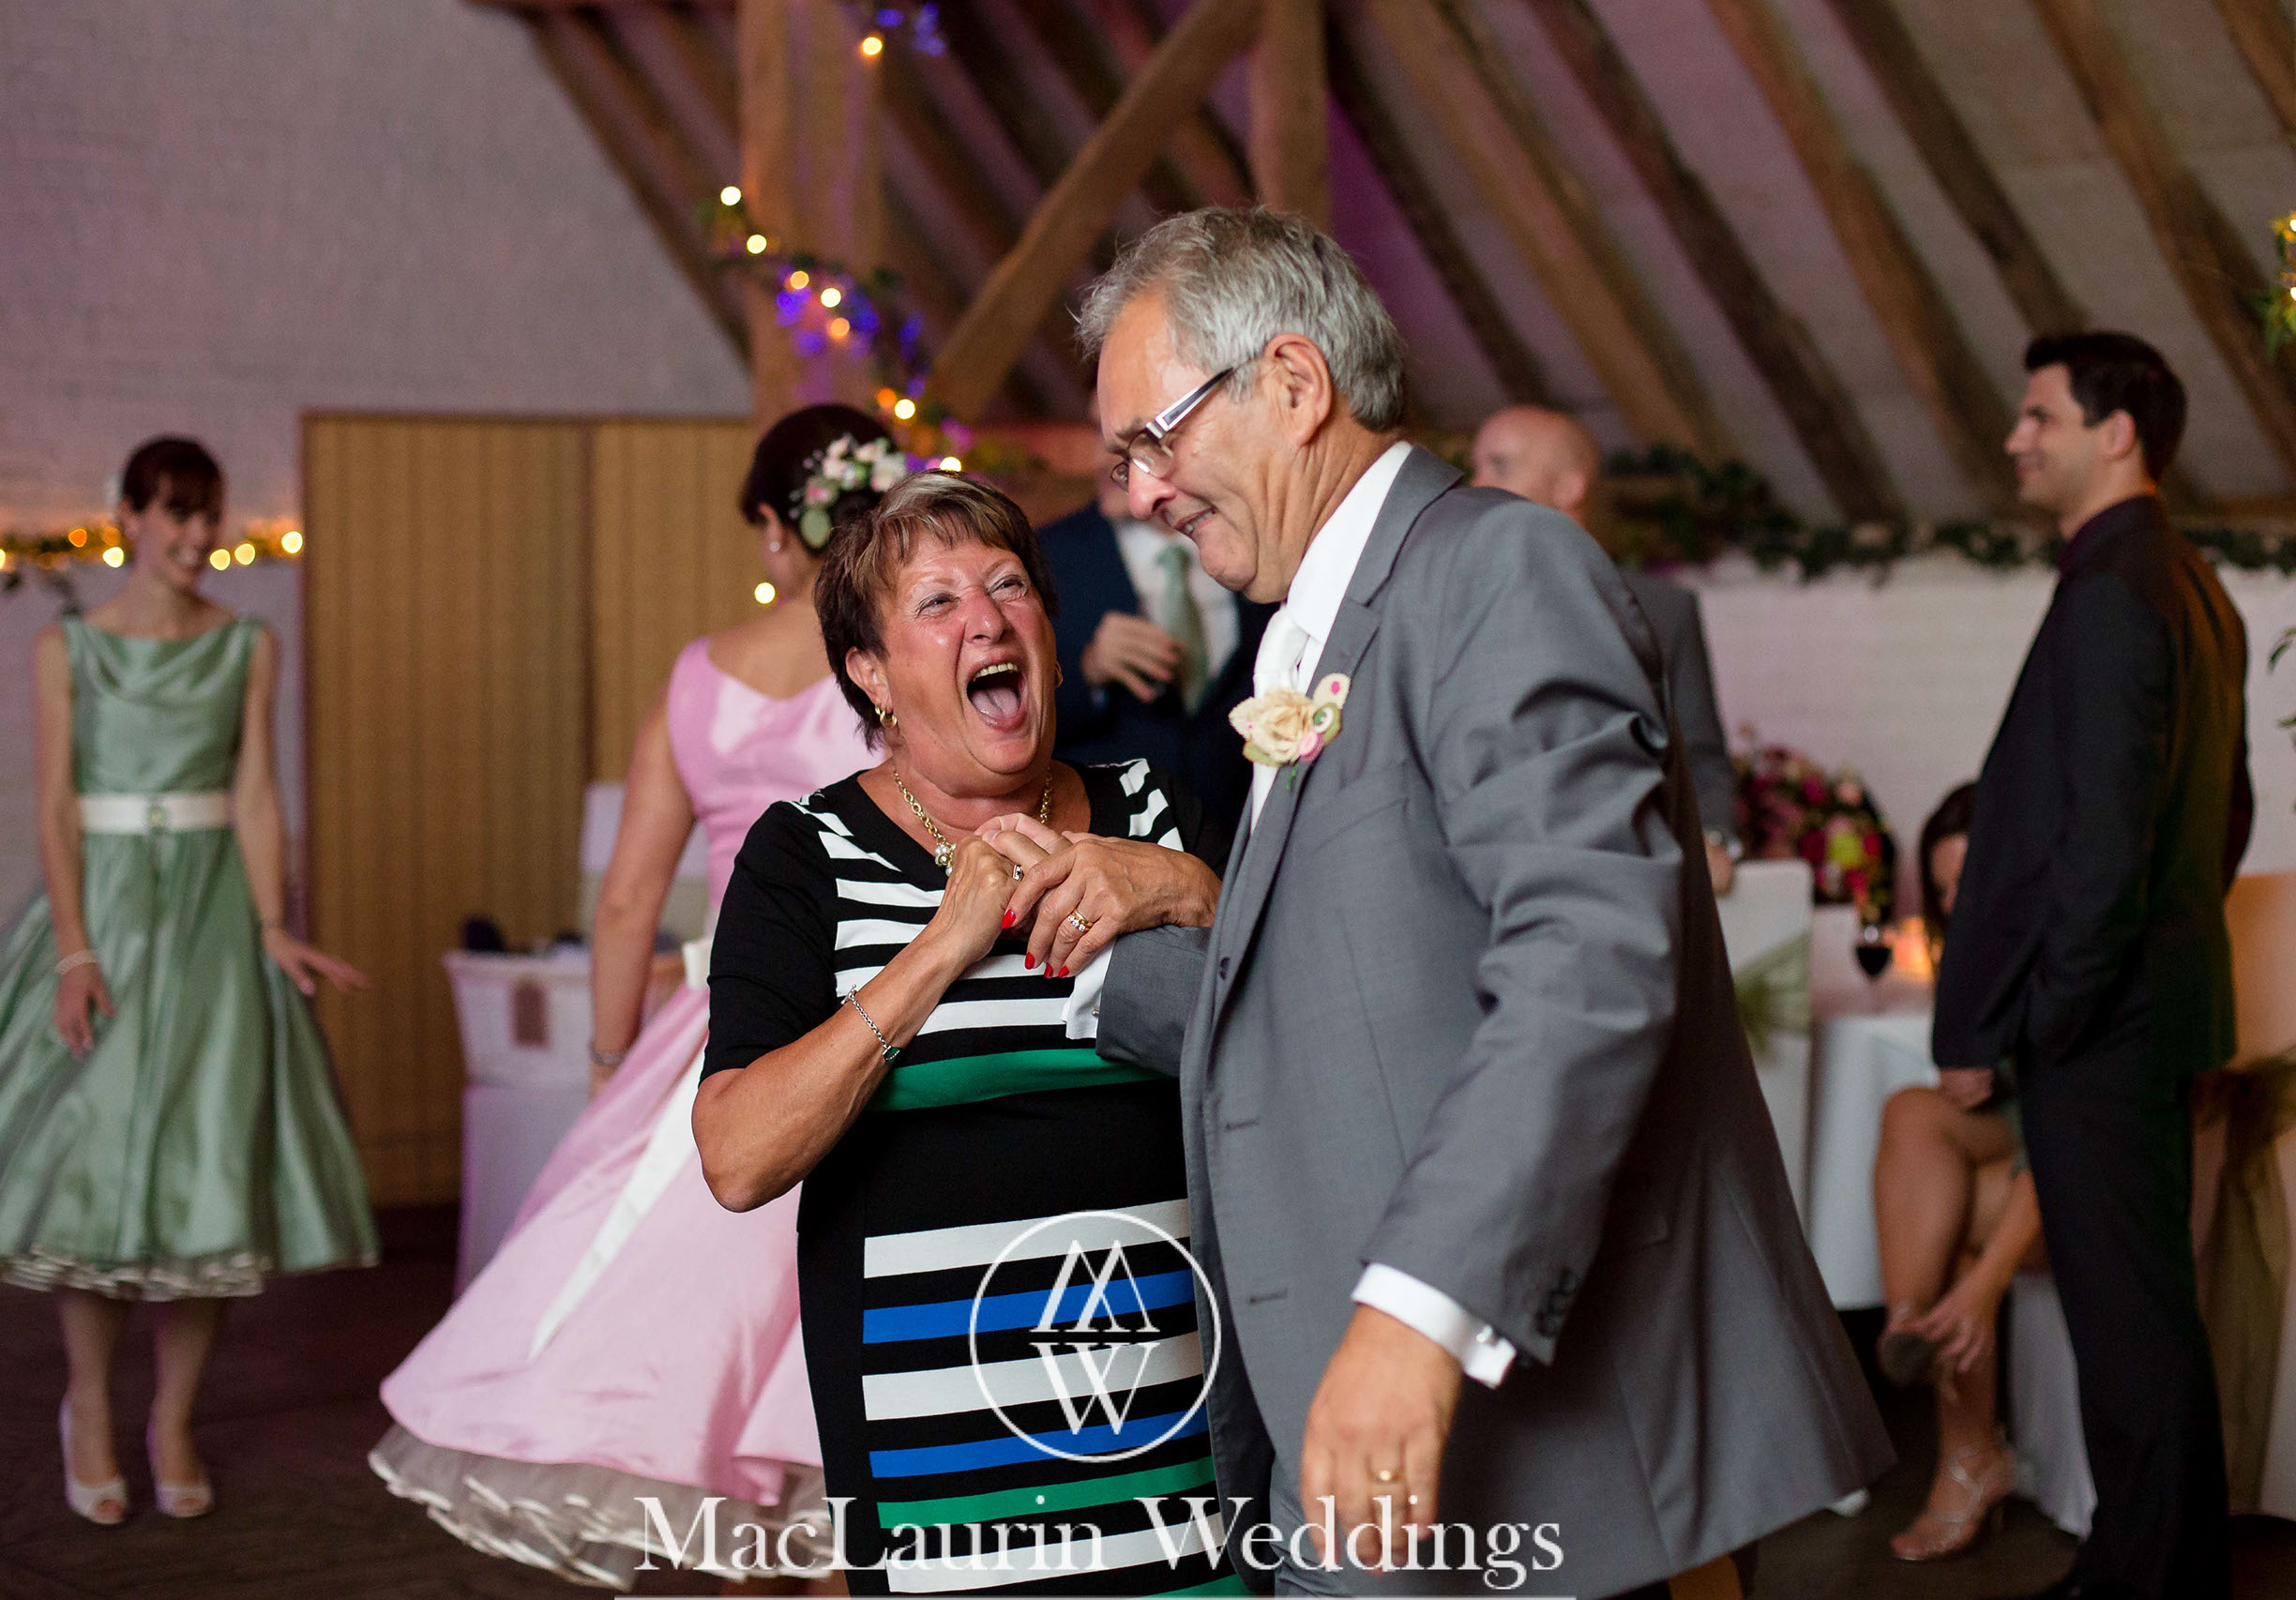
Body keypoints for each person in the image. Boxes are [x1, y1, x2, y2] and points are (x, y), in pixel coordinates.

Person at [1081, 208, 1889, 1598]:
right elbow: (1357, 975)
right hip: (1360, 1440)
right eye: (1126, 460)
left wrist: (1412, 1312)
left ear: (1291, 383)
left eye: (1156, 439)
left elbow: (1587, 955)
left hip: (1494, 1422)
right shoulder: (1323, 624)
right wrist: (1085, 960)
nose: (1145, 491)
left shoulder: (1495, 571)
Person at [372, 405, 887, 1590]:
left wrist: (615, 1066)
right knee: (834, 1384)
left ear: (773, 527)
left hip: (728, 1034)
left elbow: (624, 905)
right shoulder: (891, 662)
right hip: (877, 1019)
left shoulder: (699, 679)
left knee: (709, 1383)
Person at [694, 473, 1237, 1594]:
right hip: (934, 1443)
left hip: (1174, 1419)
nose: (986, 618)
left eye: (1007, 587)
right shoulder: (803, 857)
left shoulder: (1157, 810)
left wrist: (1192, 887)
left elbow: (1303, 1035)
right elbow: (739, 1155)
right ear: (871, 675)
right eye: (936, 603)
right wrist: (944, 942)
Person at [0, 436, 378, 1525]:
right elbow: (57, 807)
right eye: (177, 513)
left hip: (212, 920)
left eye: (209, 516)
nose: (198, 537)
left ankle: (170, 1416)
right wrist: (73, 948)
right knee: (95, 1170)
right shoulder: (68, 646)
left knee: (208, 1175)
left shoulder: (247, 644)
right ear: (128, 514)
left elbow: (256, 793)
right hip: (106, 916)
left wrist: (272, 923)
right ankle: (89, 1406)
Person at [1935, 332, 2252, 1600]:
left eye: (2040, 416)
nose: (2017, 439)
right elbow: (2222, 813)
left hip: (2103, 1023)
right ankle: (2159, 1567)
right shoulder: (2190, 582)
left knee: (2130, 1323)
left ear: (2115, 433)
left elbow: (2095, 837)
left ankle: (2142, 1579)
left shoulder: (2118, 588)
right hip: (2150, 1005)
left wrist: (2046, 1012)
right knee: (2145, 1314)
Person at [1873, 781, 2046, 1562]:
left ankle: (1969, 1457)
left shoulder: (2067, 948)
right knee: (1912, 1112)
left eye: (1969, 882)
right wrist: (1983, 1081)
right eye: (1943, 891)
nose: (1956, 903)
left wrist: (1983, 1291)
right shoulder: (1973, 958)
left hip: (2079, 1166)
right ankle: (1910, 1318)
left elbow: (2070, 1135)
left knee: (1957, 1233)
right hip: (2018, 1147)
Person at [1472, 405, 1740, 892]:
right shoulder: (1454, 603)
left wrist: (1713, 840)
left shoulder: (1663, 612)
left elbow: (1701, 757)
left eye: (1500, 466)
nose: (1477, 484)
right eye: (1478, 467)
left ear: (1570, 487)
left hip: (1628, 883)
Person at [1042, 426, 1273, 825]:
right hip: (1112, 840)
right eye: (1096, 433)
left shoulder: (1261, 542)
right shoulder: (1047, 554)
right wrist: (1088, 670)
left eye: (1127, 441)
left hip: (1244, 829)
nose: (1102, 460)